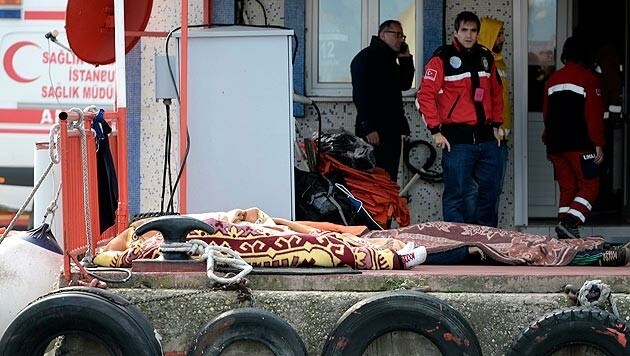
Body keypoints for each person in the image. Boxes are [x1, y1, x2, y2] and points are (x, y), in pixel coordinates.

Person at [417, 11, 504, 227]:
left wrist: (496, 125)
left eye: (473, 31)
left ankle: (486, 244)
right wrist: (435, 131)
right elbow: (424, 95)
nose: (468, 35)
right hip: (457, 141)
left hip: (487, 139)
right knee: (457, 194)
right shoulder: (441, 58)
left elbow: (495, 93)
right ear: (455, 32)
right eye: (464, 30)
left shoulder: (485, 57)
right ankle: (459, 246)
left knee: (489, 193)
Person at [542, 36, 605, 239]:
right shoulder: (589, 79)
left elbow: (546, 114)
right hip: (580, 145)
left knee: (568, 187)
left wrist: (548, 141)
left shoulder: (552, 80)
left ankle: (563, 235)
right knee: (591, 185)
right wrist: (598, 143)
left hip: (556, 146)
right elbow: (593, 115)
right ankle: (570, 223)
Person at [351, 20, 415, 181]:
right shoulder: (366, 58)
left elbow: (405, 84)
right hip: (373, 131)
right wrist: (368, 126)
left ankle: (388, 207)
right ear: (383, 35)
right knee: (373, 179)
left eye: (403, 36)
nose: (401, 39)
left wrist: (406, 59)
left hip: (391, 130)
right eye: (397, 35)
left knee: (389, 177)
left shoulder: (390, 60)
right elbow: (360, 94)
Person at [464, 16, 511, 224]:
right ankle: (475, 235)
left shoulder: (498, 62)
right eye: (499, 33)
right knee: (476, 191)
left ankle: (490, 237)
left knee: (492, 191)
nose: (503, 38)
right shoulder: (481, 63)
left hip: (499, 136)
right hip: (486, 136)